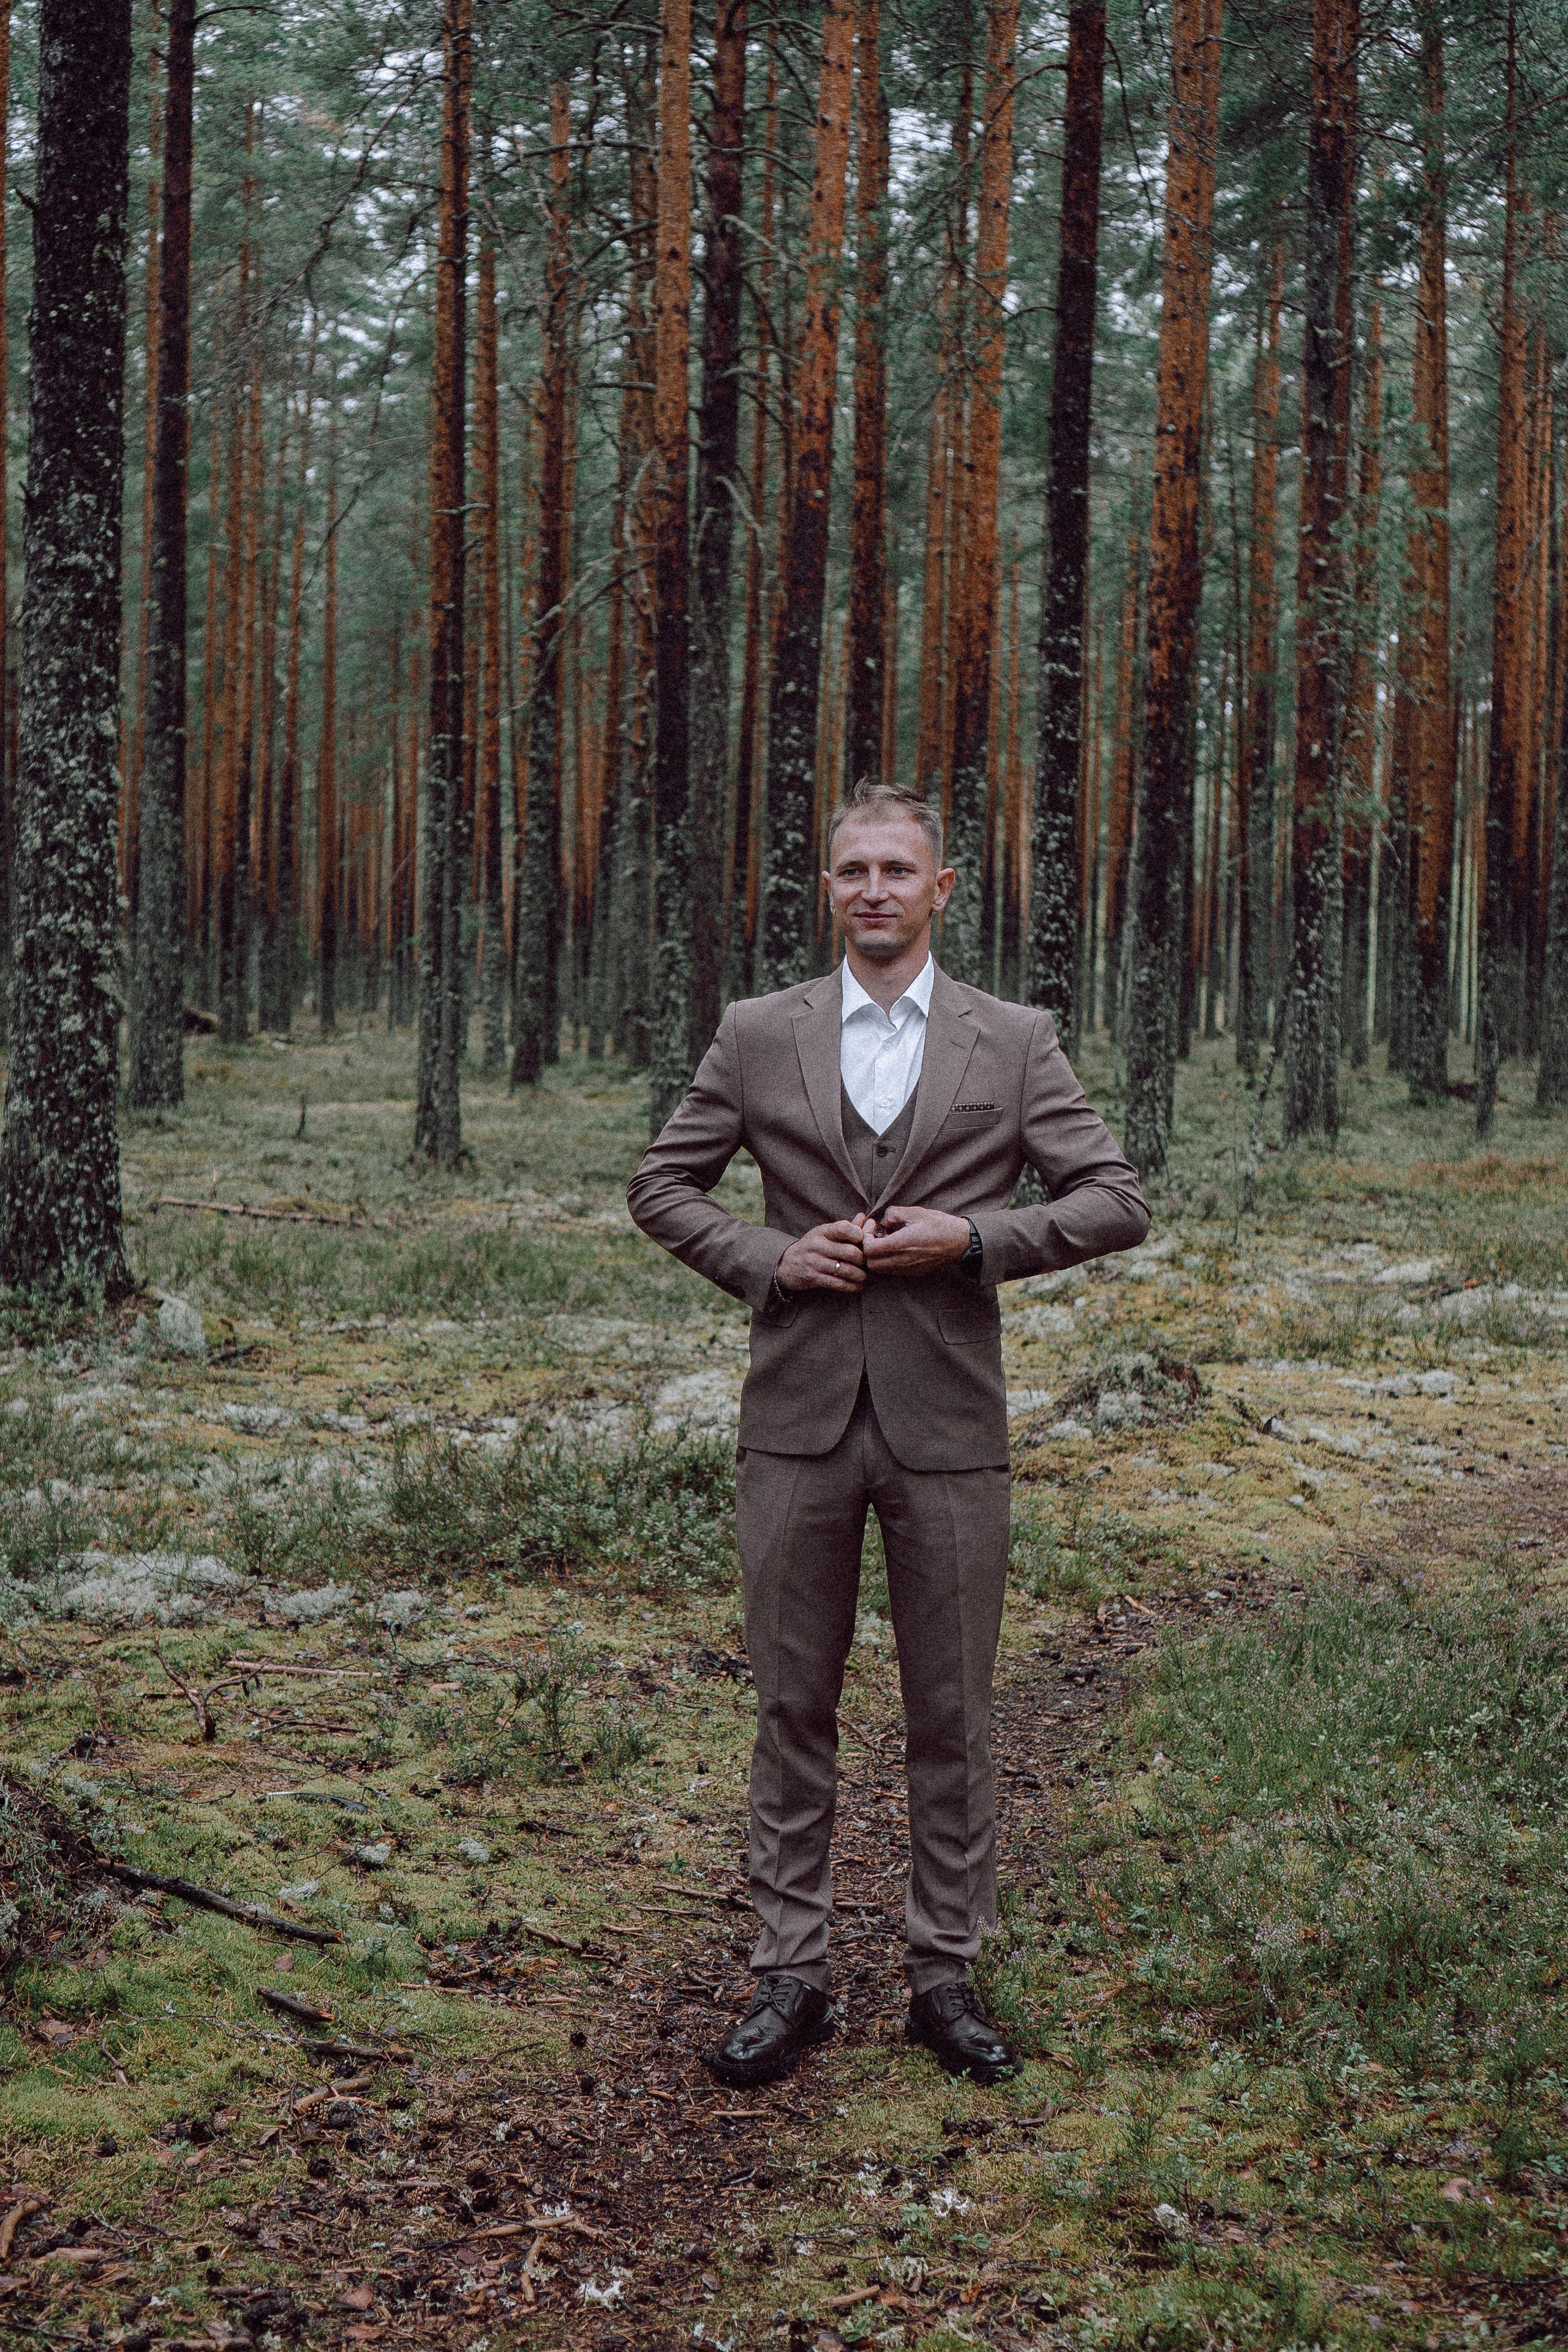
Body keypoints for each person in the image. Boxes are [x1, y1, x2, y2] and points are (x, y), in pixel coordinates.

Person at [627, 782, 1149, 2086]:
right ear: (826, 889)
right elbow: (658, 1184)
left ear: (940, 889)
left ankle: (943, 1978)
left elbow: (1111, 1199)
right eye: (851, 869)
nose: (873, 890)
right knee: (791, 1705)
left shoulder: (1011, 1040)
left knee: (951, 1712)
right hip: (795, 1423)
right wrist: (766, 1256)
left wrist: (973, 1240)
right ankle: (786, 1978)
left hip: (948, 1425)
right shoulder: (757, 1034)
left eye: (896, 870)